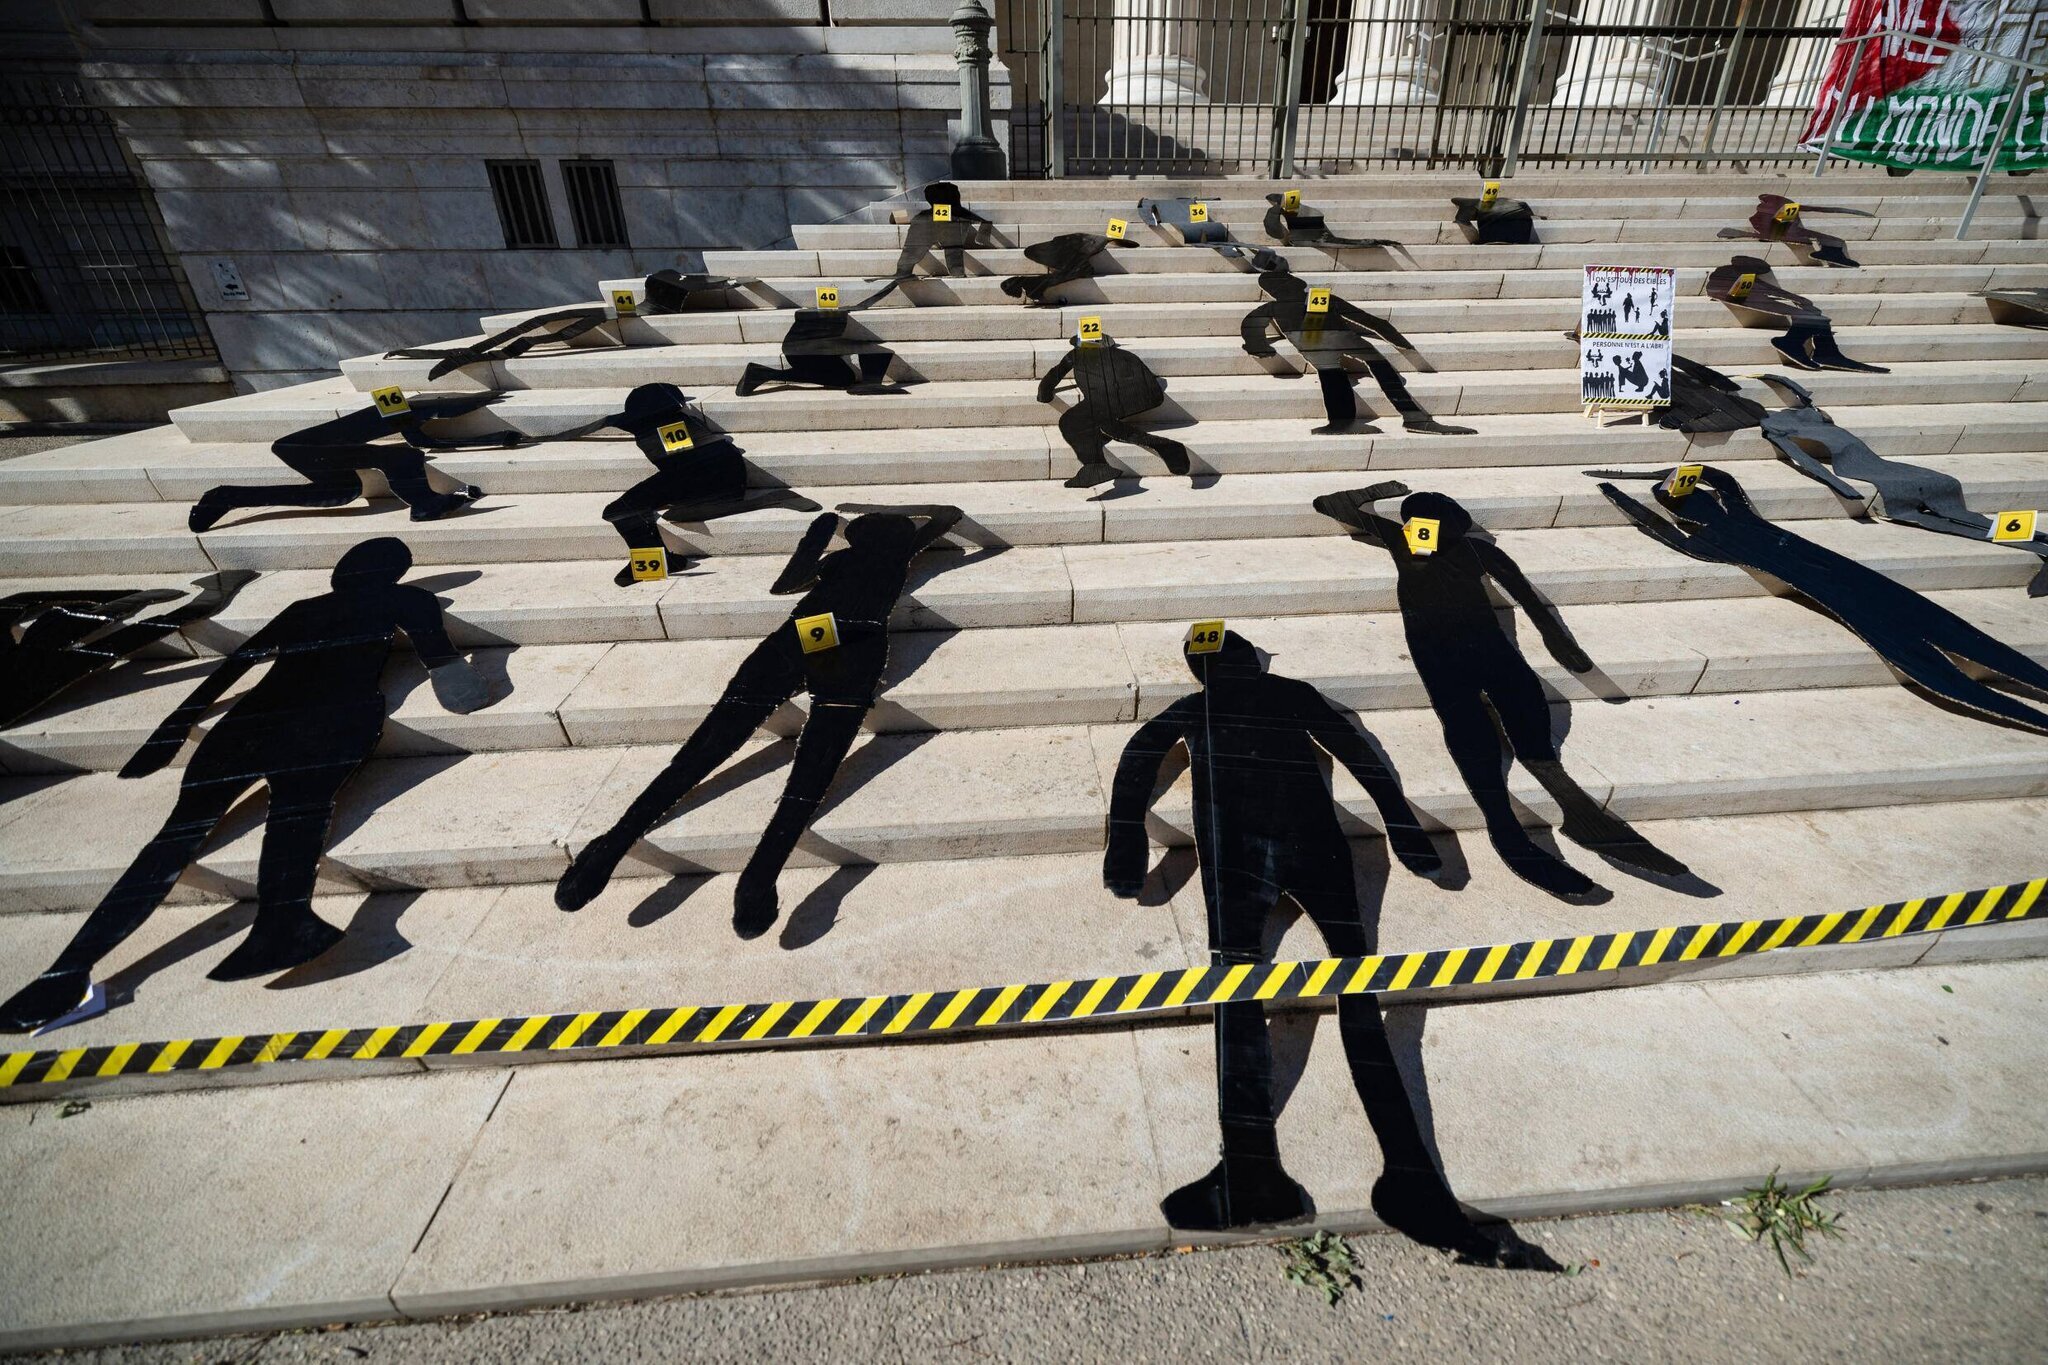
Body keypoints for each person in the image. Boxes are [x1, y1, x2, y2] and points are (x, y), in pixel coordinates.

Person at [1104, 628, 1540, 1265]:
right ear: (1243, 661)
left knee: (1238, 992)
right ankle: (1406, 1170)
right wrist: (1403, 828)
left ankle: (1252, 1167)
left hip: (1236, 852)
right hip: (1313, 847)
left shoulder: (1201, 706)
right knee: (1353, 995)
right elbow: (1360, 753)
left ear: (1198, 669)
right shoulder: (1288, 693)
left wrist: (1125, 846)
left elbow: (1138, 756)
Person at [0, 537, 497, 1032]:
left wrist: (173, 729)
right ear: (396, 571)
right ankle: (285, 922)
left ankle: (67, 971)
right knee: (296, 820)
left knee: (174, 839)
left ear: (344, 572)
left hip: (250, 721)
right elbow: (441, 659)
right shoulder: (408, 599)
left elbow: (231, 668)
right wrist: (474, 682)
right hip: (335, 718)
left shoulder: (305, 607)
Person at [555, 505, 966, 937]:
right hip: (859, 644)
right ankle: (760, 875)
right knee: (815, 766)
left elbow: (784, 586)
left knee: (709, 743)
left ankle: (614, 843)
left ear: (859, 537)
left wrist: (822, 529)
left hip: (809, 629)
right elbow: (948, 514)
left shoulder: (839, 560)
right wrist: (896, 518)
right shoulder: (899, 557)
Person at [1314, 485, 1688, 899]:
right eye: (1442, 512)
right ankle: (1507, 830)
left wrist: (1560, 644)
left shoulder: (1462, 548)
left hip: (1478, 649)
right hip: (1446, 655)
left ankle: (1572, 809)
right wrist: (1389, 491)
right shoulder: (1412, 541)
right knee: (1470, 726)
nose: (1450, 519)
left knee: (1521, 714)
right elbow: (1329, 504)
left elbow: (1525, 596)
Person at [1594, 465, 2048, 733]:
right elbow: (1712, 487)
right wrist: (1622, 489)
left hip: (1834, 577)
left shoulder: (1716, 534)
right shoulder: (1724, 530)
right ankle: (2025, 703)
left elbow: (1680, 510)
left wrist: (1627, 487)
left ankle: (2025, 696)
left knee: (1919, 632)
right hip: (1832, 577)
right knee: (1920, 630)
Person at [559, 382, 821, 584]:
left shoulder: (650, 422)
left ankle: (658, 560)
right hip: (711, 471)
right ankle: (660, 558)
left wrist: (555, 437)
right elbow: (607, 421)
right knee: (636, 509)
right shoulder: (677, 420)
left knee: (620, 510)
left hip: (705, 475)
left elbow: (608, 422)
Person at [187, 391, 518, 532]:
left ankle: (227, 496)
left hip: (317, 452)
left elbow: (424, 439)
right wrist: (476, 407)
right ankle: (424, 505)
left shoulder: (399, 415)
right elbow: (423, 436)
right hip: (298, 449)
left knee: (342, 491)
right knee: (400, 457)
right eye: (443, 411)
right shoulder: (396, 412)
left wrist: (493, 438)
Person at [1, 571, 254, 728]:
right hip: (20, 686)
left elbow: (18, 604)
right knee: (100, 640)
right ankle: (201, 602)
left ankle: (199, 602)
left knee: (67, 630)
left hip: (21, 675)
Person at [1240, 266, 1473, 436]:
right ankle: (1413, 416)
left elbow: (1251, 325)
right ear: (1295, 283)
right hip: (1340, 338)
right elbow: (1368, 320)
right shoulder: (1318, 297)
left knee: (1331, 375)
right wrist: (1400, 342)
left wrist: (1259, 348)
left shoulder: (1271, 308)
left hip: (1310, 345)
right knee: (1378, 365)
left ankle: (1340, 421)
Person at [1037, 330, 1193, 488]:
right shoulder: (1124, 355)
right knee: (1105, 424)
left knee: (1069, 421)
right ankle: (1167, 446)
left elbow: (1054, 375)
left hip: (1109, 399)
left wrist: (1044, 394)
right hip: (1143, 399)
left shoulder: (1076, 355)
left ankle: (1095, 466)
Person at [1707, 256, 1886, 372]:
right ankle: (1793, 344)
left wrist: (1798, 299)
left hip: (1750, 296)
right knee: (1810, 318)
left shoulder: (1746, 275)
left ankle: (1827, 353)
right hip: (1736, 297)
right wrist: (1796, 300)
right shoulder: (1727, 273)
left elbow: (1767, 288)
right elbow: (1759, 289)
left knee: (1819, 319)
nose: (1758, 274)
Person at [736, 304, 902, 397]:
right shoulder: (827, 324)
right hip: (803, 350)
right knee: (844, 378)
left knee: (845, 378)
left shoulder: (829, 322)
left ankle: (762, 373)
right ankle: (763, 374)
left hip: (803, 348)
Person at [1717, 193, 1869, 268]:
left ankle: (1831, 252)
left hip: (1778, 226)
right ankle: (1830, 251)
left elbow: (1811, 209)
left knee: (1832, 240)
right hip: (1776, 227)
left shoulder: (1782, 206)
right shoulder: (1779, 207)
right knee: (1829, 239)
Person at [1000, 230, 1139, 306]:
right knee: (1073, 268)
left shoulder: (1089, 245)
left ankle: (1030, 285)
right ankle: (1030, 285)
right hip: (1071, 252)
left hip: (1074, 255)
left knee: (1073, 269)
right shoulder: (1088, 244)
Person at [1260, 192, 1400, 251]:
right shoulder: (1289, 208)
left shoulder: (1285, 210)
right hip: (1307, 230)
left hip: (1311, 234)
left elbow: (1277, 231)